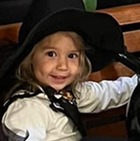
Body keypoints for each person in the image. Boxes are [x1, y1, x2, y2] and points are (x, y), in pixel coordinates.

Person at [0, 0, 139, 141]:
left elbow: (109, 93)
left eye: (72, 56)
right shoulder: (26, 109)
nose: (63, 66)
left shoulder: (70, 93)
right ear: (30, 59)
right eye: (51, 54)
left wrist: (137, 82)